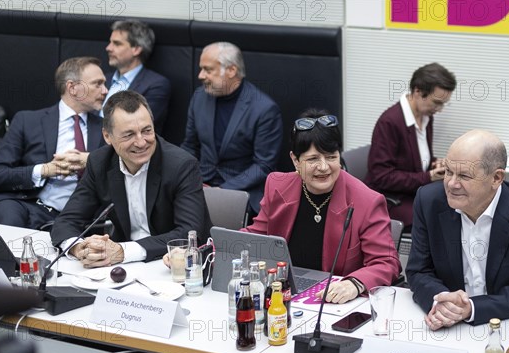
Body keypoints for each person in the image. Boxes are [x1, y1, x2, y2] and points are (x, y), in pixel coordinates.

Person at [243, 109, 401, 304]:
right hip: (283, 295)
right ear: (295, 160)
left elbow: (387, 262)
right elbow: (256, 236)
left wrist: (354, 284)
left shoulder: (367, 201)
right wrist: (218, 246)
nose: (324, 167)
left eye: (331, 157)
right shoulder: (277, 186)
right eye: (313, 159)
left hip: (333, 303)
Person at [406, 130, 509, 328]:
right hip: (444, 325)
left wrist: (471, 309)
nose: (451, 184)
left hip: (503, 324)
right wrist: (440, 303)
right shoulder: (428, 201)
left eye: (464, 176)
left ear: (496, 178)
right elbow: (418, 271)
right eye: (449, 171)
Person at [50, 90, 211, 267]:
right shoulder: (99, 162)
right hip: (121, 267)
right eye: (129, 135)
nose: (141, 142)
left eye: (147, 130)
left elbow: (190, 234)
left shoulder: (181, 165)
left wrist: (123, 251)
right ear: (107, 136)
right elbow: (67, 220)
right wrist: (79, 248)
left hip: (170, 264)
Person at [0, 57, 107, 229]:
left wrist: (89, 159)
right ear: (73, 88)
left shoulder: (107, 129)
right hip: (27, 204)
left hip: (78, 216)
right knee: (8, 218)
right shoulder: (28, 121)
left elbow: (123, 166)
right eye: (98, 84)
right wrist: (44, 170)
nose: (105, 90)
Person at [180, 42, 283, 214]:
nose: (200, 75)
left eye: (208, 69)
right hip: (201, 184)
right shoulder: (199, 98)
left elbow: (264, 165)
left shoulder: (264, 109)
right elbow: (190, 146)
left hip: (243, 191)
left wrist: (223, 191)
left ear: (231, 70)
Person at [365, 63, 457, 227]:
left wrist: (434, 163)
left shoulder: (426, 117)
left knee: (457, 205)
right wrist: (428, 176)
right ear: (418, 91)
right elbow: (381, 176)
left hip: (412, 191)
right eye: (437, 103)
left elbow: (414, 159)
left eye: (443, 104)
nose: (440, 109)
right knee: (439, 215)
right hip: (390, 198)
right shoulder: (390, 122)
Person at [103, 19, 171, 133]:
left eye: (117, 43)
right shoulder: (103, 80)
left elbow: (136, 126)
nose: (108, 48)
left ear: (136, 49)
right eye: (110, 42)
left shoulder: (156, 85)